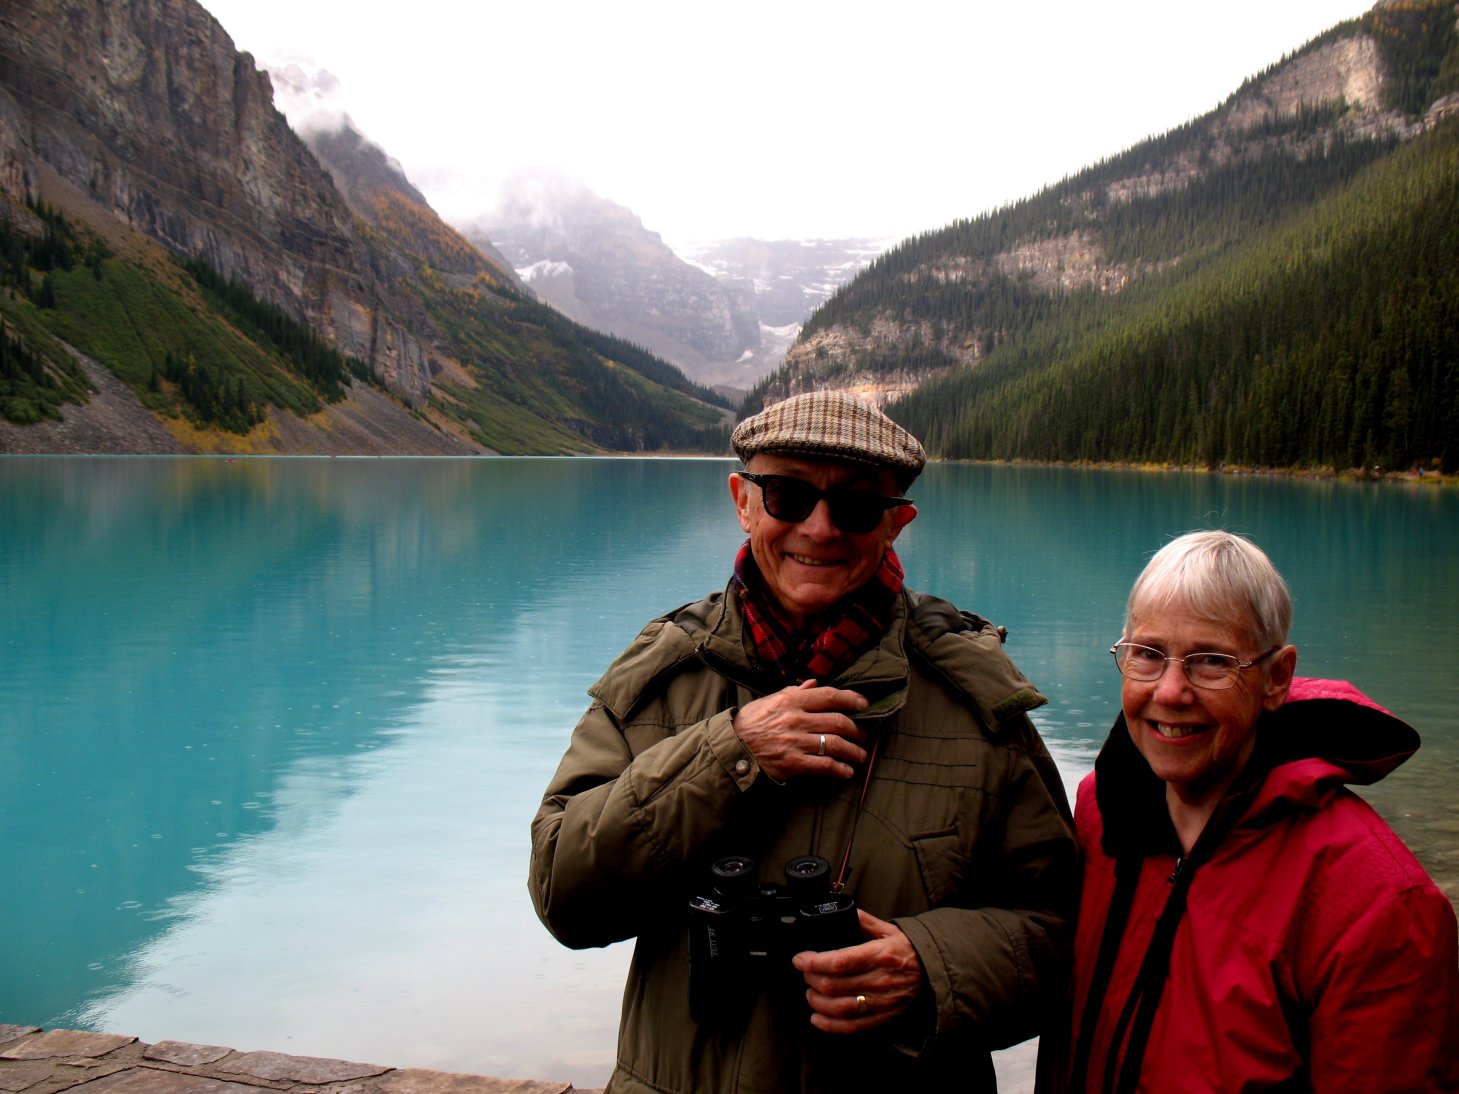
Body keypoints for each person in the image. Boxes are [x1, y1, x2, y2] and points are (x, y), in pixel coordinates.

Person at [529, 389, 1079, 1093]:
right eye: (787, 496)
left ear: (896, 523)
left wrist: (930, 964)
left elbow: (1058, 928)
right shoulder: (661, 679)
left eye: (853, 506)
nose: (818, 529)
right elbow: (563, 894)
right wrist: (728, 754)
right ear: (743, 500)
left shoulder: (974, 703)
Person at [1037, 530, 1459, 1093]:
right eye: (1147, 654)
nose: (1169, 692)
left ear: (1276, 678)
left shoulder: (1376, 903)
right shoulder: (1102, 811)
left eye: (1210, 662)